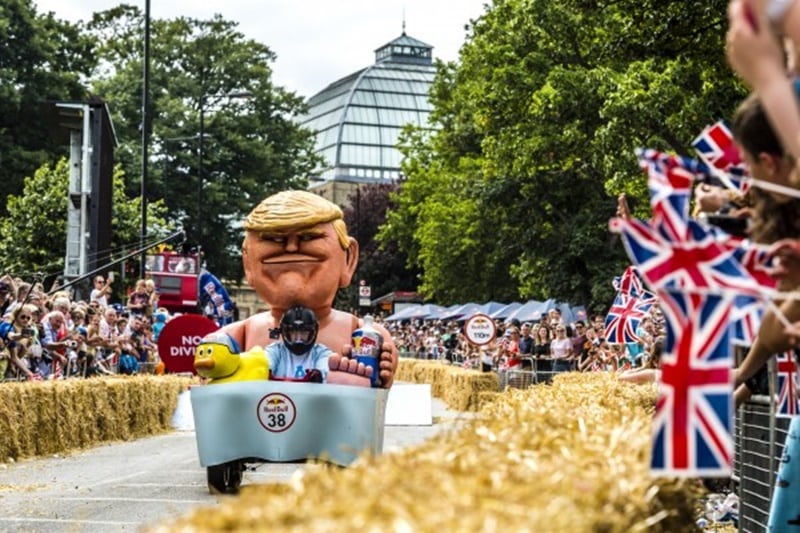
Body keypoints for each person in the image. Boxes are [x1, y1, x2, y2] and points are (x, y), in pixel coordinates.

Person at [219, 190, 397, 387]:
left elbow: (376, 393)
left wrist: (379, 374)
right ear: (247, 262)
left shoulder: (363, 334)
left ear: (348, 258)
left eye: (308, 236)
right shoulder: (236, 335)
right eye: (274, 239)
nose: (291, 247)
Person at [266, 305, 332, 382]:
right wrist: (265, 370)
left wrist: (318, 374)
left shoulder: (322, 352)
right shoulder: (275, 350)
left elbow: (324, 367)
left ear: (313, 333)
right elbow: (266, 362)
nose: (298, 338)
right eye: (293, 332)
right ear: (284, 332)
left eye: (304, 332)